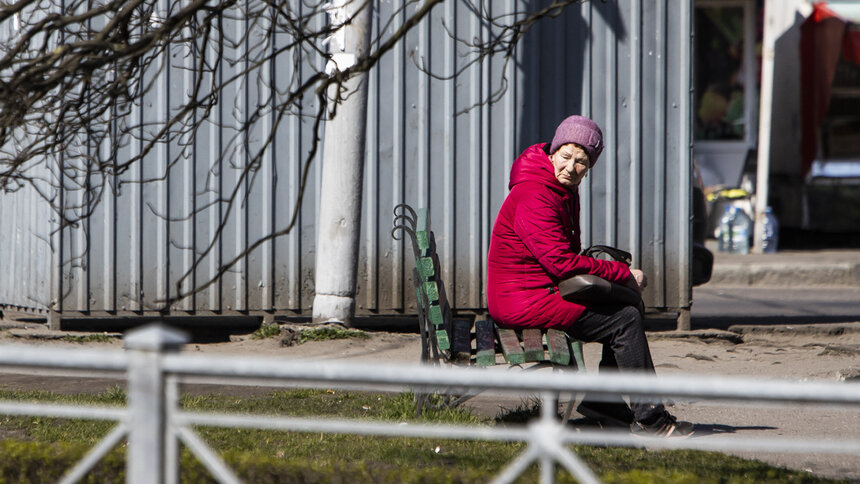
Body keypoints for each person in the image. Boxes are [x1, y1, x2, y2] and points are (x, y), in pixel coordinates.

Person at [486, 114, 694, 438]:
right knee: (624, 318)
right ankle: (649, 419)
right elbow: (561, 264)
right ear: (553, 152)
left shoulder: (559, 188)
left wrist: (616, 278)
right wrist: (622, 273)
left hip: (539, 291)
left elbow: (565, 255)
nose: (571, 166)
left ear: (590, 166)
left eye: (582, 161)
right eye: (566, 156)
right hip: (522, 300)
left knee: (626, 309)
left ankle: (605, 403)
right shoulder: (535, 193)